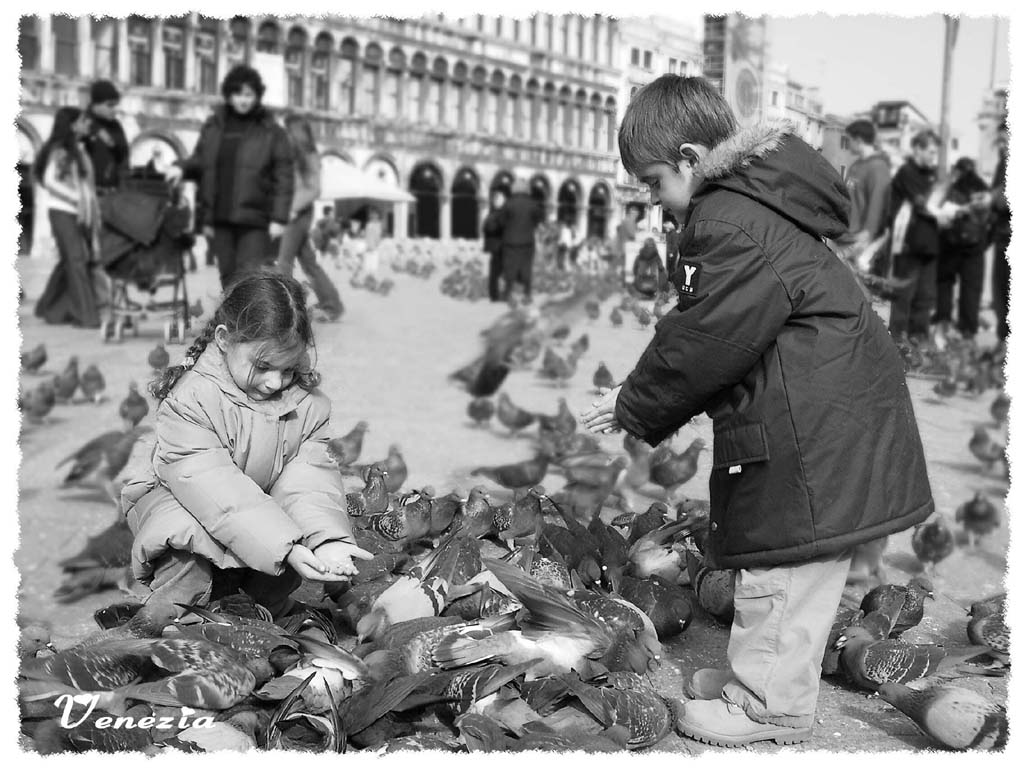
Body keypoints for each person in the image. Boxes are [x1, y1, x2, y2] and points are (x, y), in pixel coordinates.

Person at [581, 75, 933, 748]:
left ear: (689, 158)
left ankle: (767, 705)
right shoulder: (756, 205)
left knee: (783, 556)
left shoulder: (726, 220)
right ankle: (773, 677)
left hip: (808, 423)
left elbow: (703, 340)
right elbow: (720, 330)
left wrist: (635, 402)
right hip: (827, 410)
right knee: (801, 560)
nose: (654, 202)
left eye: (654, 182)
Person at [120, 272, 373, 621]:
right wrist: (285, 547)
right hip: (189, 506)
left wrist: (325, 539)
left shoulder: (308, 406)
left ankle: (261, 614)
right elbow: (214, 488)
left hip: (256, 518)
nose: (275, 382)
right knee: (187, 548)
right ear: (224, 339)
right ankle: (169, 618)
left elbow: (308, 481)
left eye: (288, 369)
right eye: (263, 366)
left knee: (292, 550)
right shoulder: (191, 400)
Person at [165, 65, 294, 289]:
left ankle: (251, 323)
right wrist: (180, 168)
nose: (243, 100)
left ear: (257, 96)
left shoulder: (272, 131)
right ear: (229, 95)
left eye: (248, 95)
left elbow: (284, 176)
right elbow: (200, 160)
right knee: (227, 276)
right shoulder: (214, 126)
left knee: (250, 277)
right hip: (219, 217)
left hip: (255, 218)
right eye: (237, 94)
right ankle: (234, 323)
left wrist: (279, 218)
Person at [33, 106, 103, 329]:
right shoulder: (62, 150)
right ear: (72, 125)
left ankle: (48, 307)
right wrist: (76, 199)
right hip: (63, 211)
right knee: (76, 260)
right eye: (82, 121)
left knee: (69, 261)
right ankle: (86, 316)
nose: (87, 125)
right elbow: (50, 180)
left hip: (75, 213)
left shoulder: (76, 149)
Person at [276, 114, 343, 323]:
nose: (286, 134)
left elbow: (314, 189)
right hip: (294, 212)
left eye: (290, 130)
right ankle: (332, 304)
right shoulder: (294, 155)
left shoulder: (310, 156)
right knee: (309, 263)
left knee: (283, 261)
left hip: (298, 214)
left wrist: (292, 209)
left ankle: (282, 313)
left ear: (300, 132)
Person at [887, 130, 944, 343]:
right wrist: (945, 209)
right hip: (909, 246)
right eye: (930, 151)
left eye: (935, 152)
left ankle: (918, 343)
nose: (933, 156)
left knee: (925, 298)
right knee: (903, 297)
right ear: (917, 149)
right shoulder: (906, 172)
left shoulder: (931, 175)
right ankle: (897, 343)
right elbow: (924, 204)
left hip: (930, 246)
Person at [933, 157, 990, 340]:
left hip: (949, 244)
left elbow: (936, 210)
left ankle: (943, 321)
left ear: (957, 169)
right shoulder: (982, 187)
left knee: (944, 284)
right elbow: (991, 220)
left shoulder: (950, 185)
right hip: (974, 247)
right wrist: (983, 242)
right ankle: (968, 329)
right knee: (971, 289)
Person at [838, 119, 891, 274]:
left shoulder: (878, 168)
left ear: (859, 140)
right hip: (846, 236)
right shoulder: (855, 166)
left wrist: (867, 235)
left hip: (861, 241)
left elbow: (878, 203)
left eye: (849, 140)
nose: (847, 144)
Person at [499, 178, 545, 302]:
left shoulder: (508, 203)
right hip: (527, 241)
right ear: (527, 189)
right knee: (526, 268)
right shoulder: (533, 204)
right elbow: (538, 221)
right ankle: (527, 294)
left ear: (513, 189)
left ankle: (507, 293)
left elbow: (501, 222)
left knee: (509, 267)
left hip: (510, 242)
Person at [987, 121, 1010, 355]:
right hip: (1001, 234)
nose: (1002, 143)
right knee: (1000, 294)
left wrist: (992, 198)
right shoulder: (1003, 162)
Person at [82, 79, 129, 195]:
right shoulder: (83, 123)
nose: (114, 110)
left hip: (114, 193)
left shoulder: (116, 126)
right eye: (109, 105)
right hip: (90, 193)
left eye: (115, 105)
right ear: (96, 104)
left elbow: (124, 158)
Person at [482, 190, 506, 301]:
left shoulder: (490, 216)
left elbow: (485, 229)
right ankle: (502, 295)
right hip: (502, 247)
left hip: (494, 248)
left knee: (494, 273)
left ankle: (494, 295)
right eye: (502, 199)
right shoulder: (500, 215)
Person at [613, 206, 640, 278]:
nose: (636, 217)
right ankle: (622, 281)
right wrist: (639, 234)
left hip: (622, 245)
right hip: (627, 246)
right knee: (626, 265)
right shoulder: (629, 221)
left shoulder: (625, 220)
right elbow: (632, 234)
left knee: (622, 264)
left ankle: (619, 279)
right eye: (635, 215)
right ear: (632, 214)